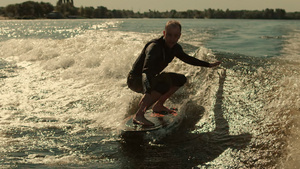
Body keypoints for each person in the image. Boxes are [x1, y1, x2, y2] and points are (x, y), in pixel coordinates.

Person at [127, 20, 221, 126]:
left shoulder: (175, 48)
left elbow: (189, 59)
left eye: (176, 36)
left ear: (179, 36)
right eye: (169, 35)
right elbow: (146, 72)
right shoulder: (154, 47)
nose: (172, 39)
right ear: (164, 33)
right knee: (163, 84)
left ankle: (158, 105)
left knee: (180, 79)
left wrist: (208, 65)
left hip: (150, 78)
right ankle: (139, 114)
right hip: (136, 79)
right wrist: (147, 92)